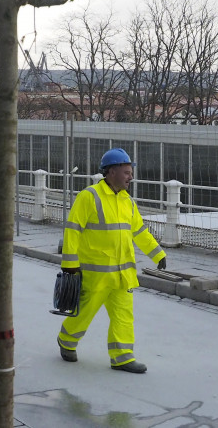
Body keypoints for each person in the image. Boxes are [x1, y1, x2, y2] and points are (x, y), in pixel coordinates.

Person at [57, 147, 167, 374]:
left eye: (130, 172)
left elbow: (139, 231)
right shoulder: (89, 196)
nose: (131, 177)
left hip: (122, 274)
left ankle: (123, 357)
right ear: (111, 172)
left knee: (124, 315)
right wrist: (69, 264)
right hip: (95, 274)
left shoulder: (127, 201)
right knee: (84, 312)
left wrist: (158, 253)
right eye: (126, 172)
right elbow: (73, 230)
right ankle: (66, 341)